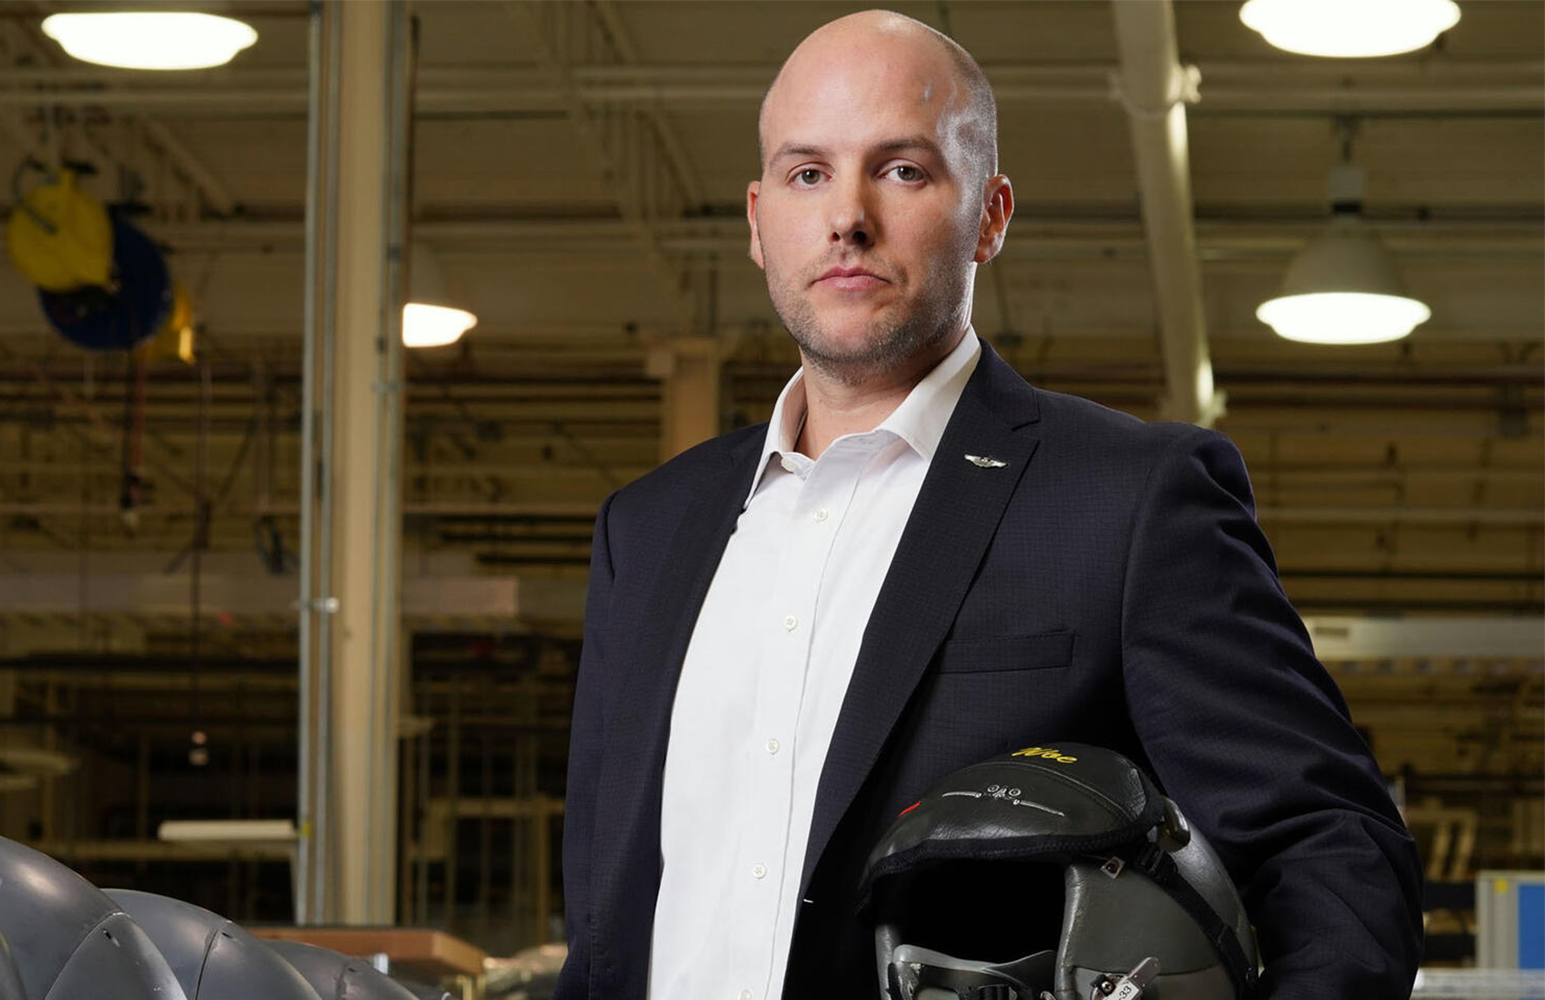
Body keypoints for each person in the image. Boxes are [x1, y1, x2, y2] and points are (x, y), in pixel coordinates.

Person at [554, 10, 1421, 1000]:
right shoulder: (648, 530)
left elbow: (1331, 856)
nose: (845, 216)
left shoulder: (1127, 502)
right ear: (756, 221)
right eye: (806, 173)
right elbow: (607, 922)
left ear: (991, 213)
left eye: (901, 170)